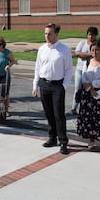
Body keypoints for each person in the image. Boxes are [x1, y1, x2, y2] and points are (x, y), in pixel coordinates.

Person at [32, 23, 73, 155]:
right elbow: (37, 68)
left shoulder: (64, 49)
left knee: (58, 115)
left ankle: (63, 142)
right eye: (45, 33)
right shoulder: (42, 49)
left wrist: (63, 86)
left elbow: (68, 70)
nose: (47, 36)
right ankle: (52, 138)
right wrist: (35, 85)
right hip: (44, 84)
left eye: (49, 33)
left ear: (56, 34)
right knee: (49, 113)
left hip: (57, 86)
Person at [76, 42, 100, 151]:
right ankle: (91, 139)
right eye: (92, 50)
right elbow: (84, 77)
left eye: (97, 50)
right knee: (89, 117)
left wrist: (92, 86)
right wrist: (90, 89)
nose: (94, 52)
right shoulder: (87, 62)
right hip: (87, 93)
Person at [69, 27, 98, 116]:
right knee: (77, 89)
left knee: (90, 90)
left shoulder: (96, 45)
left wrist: (84, 55)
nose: (91, 37)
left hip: (91, 71)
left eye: (93, 35)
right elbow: (77, 53)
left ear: (96, 35)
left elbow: (97, 56)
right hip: (80, 70)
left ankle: (90, 109)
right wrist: (89, 54)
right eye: (89, 34)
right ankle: (74, 108)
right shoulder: (82, 43)